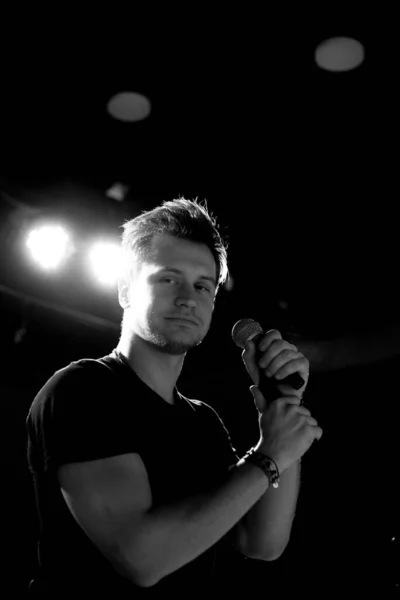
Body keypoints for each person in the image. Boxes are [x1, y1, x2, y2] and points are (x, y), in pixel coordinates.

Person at [26, 197, 322, 596]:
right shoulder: (82, 389)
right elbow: (142, 560)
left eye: (203, 285)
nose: (188, 297)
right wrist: (268, 457)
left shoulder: (202, 422)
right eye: (168, 278)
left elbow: (263, 543)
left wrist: (281, 408)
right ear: (125, 290)